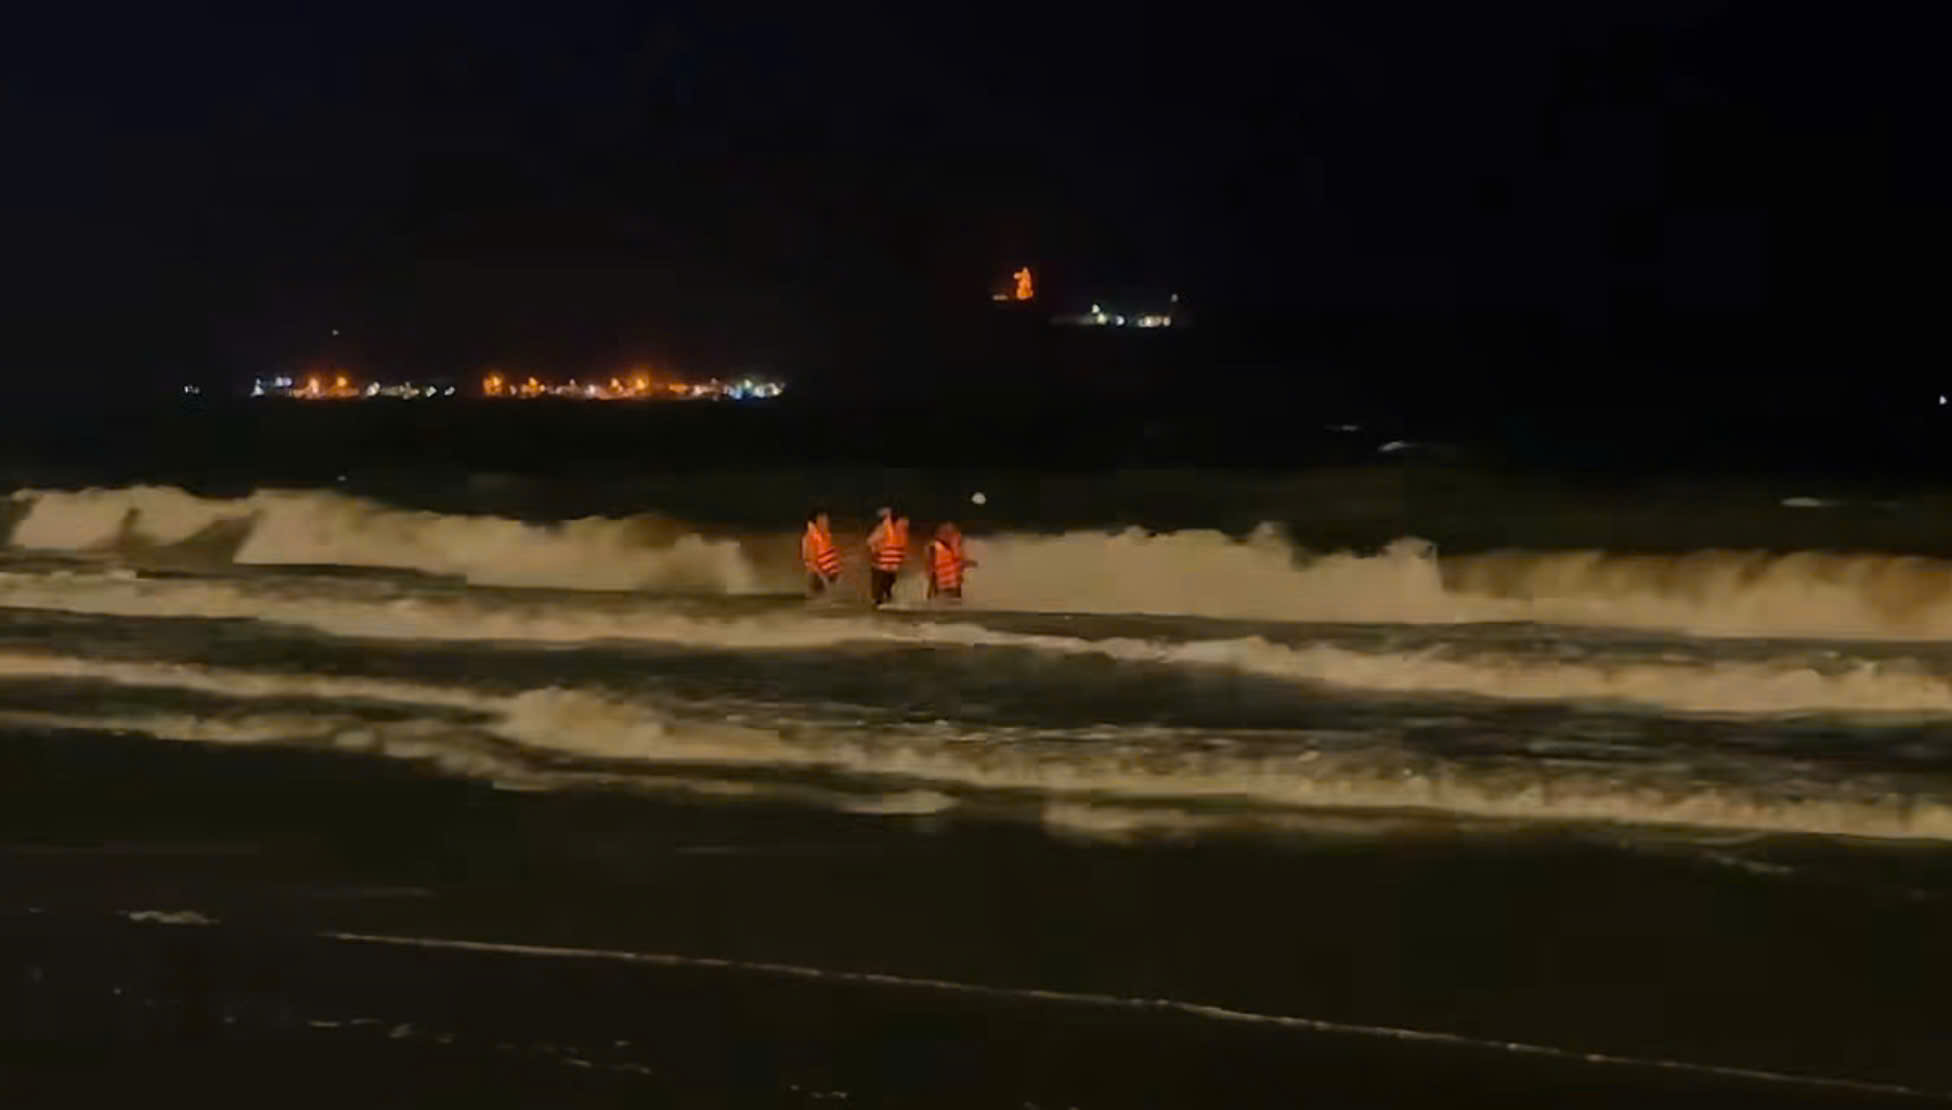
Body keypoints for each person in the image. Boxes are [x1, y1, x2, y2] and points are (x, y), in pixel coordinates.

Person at [864, 506, 909, 606]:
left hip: (891, 570)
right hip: (880, 569)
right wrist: (875, 553)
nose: (906, 524)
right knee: (878, 597)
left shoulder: (901, 533)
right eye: (904, 521)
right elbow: (870, 543)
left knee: (889, 594)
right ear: (897, 521)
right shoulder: (884, 530)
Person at [924, 521, 976, 601]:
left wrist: (968, 563)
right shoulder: (935, 547)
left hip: (952, 585)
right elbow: (931, 569)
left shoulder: (950, 547)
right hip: (943, 587)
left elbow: (959, 562)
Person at [800, 509, 842, 596]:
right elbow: (811, 561)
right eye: (822, 521)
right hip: (817, 577)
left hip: (828, 575)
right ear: (815, 523)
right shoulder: (810, 539)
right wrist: (823, 578)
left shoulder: (825, 536)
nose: (826, 523)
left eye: (827, 520)